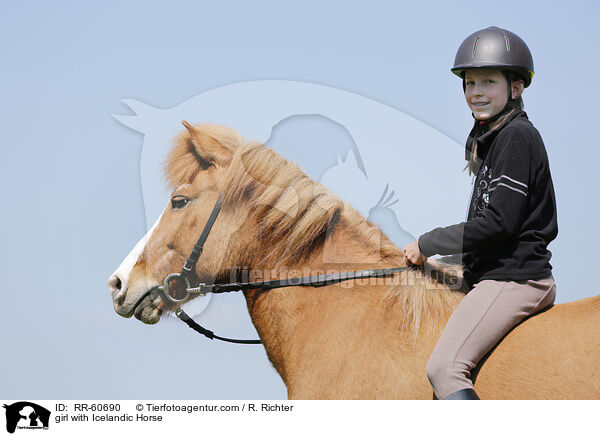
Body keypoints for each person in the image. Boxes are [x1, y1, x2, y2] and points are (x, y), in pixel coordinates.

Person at [403, 26, 558, 400]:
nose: (476, 92)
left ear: (516, 87)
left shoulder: (516, 137)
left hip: (515, 278)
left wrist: (428, 243)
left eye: (488, 82)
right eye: (470, 83)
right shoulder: (494, 138)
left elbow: (499, 223)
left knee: (444, 369)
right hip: (495, 273)